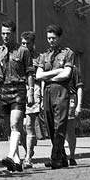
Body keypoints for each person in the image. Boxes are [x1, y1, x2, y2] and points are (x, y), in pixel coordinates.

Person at [34, 24, 76, 170]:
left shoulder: (67, 53)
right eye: (48, 38)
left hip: (61, 91)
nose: (51, 41)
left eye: (53, 38)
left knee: (60, 125)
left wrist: (49, 76)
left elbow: (67, 74)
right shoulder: (44, 55)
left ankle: (55, 157)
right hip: (47, 92)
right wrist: (56, 71)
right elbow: (38, 75)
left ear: (60, 38)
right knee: (51, 125)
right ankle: (62, 157)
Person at [0, 21, 33, 173]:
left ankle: (10, 156)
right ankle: (17, 162)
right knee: (9, 129)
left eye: (8, 33)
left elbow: (30, 72)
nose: (5, 36)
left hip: (18, 90)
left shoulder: (23, 51)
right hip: (3, 91)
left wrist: (30, 91)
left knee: (15, 123)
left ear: (14, 33)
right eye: (3, 33)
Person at [21, 30, 43, 168]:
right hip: (17, 89)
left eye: (27, 43)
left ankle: (28, 157)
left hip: (33, 90)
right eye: (22, 43)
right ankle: (28, 149)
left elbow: (41, 78)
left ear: (33, 44)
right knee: (17, 125)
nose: (24, 46)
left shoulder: (39, 58)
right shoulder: (17, 54)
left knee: (29, 124)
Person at [65, 56, 85, 166]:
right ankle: (59, 155)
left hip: (70, 99)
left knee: (69, 130)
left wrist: (79, 105)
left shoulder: (74, 69)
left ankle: (71, 155)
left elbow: (79, 87)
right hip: (57, 99)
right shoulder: (55, 67)